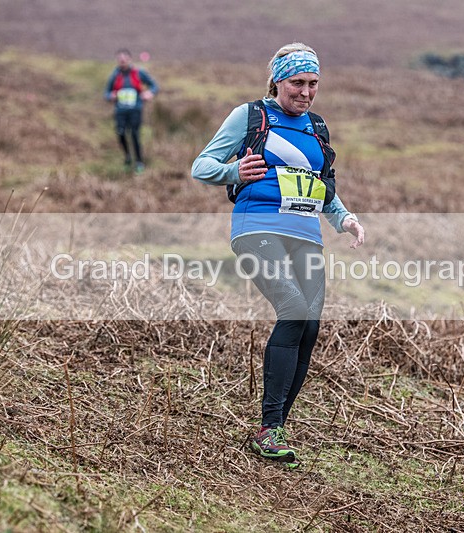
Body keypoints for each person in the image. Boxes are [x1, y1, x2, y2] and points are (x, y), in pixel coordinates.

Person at [191, 43, 365, 467]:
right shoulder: (250, 117)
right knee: (292, 308)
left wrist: (344, 219)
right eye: (297, 83)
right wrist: (234, 171)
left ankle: (276, 427)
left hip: (306, 236)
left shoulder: (317, 127)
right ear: (277, 81)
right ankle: (270, 427)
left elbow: (324, 190)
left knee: (309, 325)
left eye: (313, 84)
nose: (305, 92)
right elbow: (202, 165)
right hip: (257, 229)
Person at [104, 48, 159, 173]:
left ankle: (139, 161)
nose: (122, 61)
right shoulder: (115, 75)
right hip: (120, 111)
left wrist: (150, 93)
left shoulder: (139, 73)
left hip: (135, 110)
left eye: (124, 59)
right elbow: (106, 93)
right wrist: (110, 96)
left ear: (129, 59)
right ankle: (128, 156)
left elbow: (154, 85)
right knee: (121, 133)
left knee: (134, 134)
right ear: (117, 61)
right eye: (120, 60)